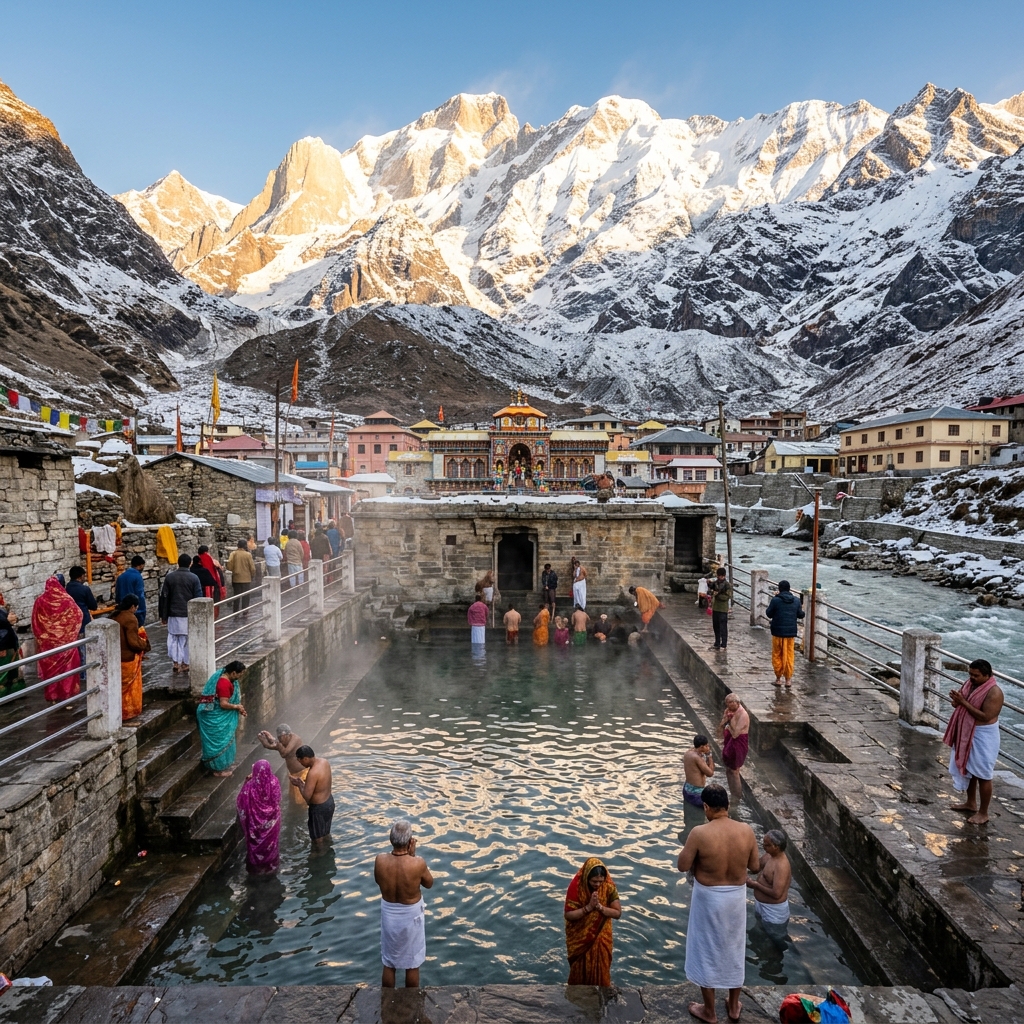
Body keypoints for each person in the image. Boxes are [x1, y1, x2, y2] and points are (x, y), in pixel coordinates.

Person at [677, 784, 760, 1024]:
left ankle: (709, 1011)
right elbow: (754, 867)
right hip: (735, 898)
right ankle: (734, 1007)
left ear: (706, 807)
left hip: (708, 899)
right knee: (734, 948)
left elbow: (682, 865)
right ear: (727, 805)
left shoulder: (700, 833)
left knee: (706, 949)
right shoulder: (746, 831)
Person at [944, 659, 1004, 824]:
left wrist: (963, 702)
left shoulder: (995, 692)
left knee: (983, 774)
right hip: (967, 730)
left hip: (983, 735)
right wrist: (957, 701)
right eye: (970, 674)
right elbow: (960, 705)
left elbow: (986, 716)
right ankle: (971, 803)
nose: (971, 677)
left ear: (987, 675)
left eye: (976, 675)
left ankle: (983, 813)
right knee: (968, 768)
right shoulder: (970, 684)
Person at [374, 820, 433, 988]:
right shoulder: (418, 863)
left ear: (391, 839)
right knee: (412, 962)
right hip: (411, 915)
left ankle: (387, 998)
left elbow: (378, 880)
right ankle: (411, 1002)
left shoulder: (380, 860)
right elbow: (429, 883)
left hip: (389, 913)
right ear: (409, 841)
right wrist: (412, 857)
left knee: (389, 961)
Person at [564, 857, 621, 986]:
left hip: (601, 935)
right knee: (579, 969)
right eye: (594, 881)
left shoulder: (609, 886)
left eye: (600, 881)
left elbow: (617, 913)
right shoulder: (576, 886)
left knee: (601, 968)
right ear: (586, 878)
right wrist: (588, 908)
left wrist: (600, 907)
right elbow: (568, 915)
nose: (598, 885)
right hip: (580, 936)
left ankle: (602, 991)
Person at [32, 576, 83, 702]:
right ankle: (67, 698)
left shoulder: (39, 601)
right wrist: (69, 634)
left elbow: (34, 621)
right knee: (67, 671)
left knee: (51, 673)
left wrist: (42, 636)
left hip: (48, 644)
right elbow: (78, 615)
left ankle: (53, 697)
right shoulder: (67, 600)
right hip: (66, 643)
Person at [196, 660, 247, 776]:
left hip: (218, 715)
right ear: (233, 673)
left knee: (225, 741)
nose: (240, 677)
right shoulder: (224, 683)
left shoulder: (224, 676)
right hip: (215, 718)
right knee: (219, 743)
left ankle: (222, 766)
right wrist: (236, 706)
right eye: (240, 674)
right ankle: (218, 770)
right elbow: (223, 704)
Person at [236, 759, 282, 874]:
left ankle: (257, 869)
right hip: (272, 821)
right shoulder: (274, 782)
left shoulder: (250, 786)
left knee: (255, 844)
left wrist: (245, 782)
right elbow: (277, 799)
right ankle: (271, 866)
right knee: (271, 845)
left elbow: (241, 801)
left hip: (254, 824)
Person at [159, 554, 202, 674]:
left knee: (173, 638)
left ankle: (176, 662)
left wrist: (163, 615)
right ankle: (185, 663)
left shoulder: (170, 577)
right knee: (186, 639)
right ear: (190, 564)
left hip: (173, 613)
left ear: (178, 563)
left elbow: (164, 597)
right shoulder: (194, 578)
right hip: (188, 614)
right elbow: (198, 598)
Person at [112, 594, 150, 721]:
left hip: (115, 657)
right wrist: (144, 644)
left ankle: (116, 712)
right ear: (132, 606)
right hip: (127, 658)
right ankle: (127, 711)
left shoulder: (115, 615)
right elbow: (133, 642)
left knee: (117, 686)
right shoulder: (130, 618)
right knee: (127, 687)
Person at [290, 744, 334, 844]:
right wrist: (302, 783)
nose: (300, 763)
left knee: (317, 838)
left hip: (319, 809)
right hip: (329, 802)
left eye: (300, 760)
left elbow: (307, 796)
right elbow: (319, 786)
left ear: (305, 758)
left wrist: (299, 784)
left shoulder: (312, 773)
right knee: (325, 832)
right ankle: (326, 847)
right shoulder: (324, 762)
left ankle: (319, 854)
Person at [747, 829, 792, 927]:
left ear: (776, 846)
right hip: (761, 905)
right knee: (758, 932)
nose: (763, 846)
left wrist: (755, 885)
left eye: (767, 845)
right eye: (763, 843)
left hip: (773, 911)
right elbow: (756, 868)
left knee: (775, 937)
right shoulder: (769, 855)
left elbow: (777, 894)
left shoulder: (781, 865)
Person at [258, 723, 309, 805]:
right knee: (293, 802)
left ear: (287, 735)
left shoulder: (295, 739)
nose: (280, 740)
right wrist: (267, 741)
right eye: (278, 738)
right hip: (294, 775)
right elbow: (276, 745)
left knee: (302, 803)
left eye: (280, 738)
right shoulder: (284, 741)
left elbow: (284, 753)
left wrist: (271, 744)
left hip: (302, 774)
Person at [765, 581, 804, 687]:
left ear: (779, 589)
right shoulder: (796, 601)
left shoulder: (776, 600)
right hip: (790, 633)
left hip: (777, 632)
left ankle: (778, 678)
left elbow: (769, 613)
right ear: (789, 589)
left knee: (777, 655)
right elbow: (801, 615)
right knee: (789, 655)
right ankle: (788, 680)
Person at [721, 694, 750, 799]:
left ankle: (737, 797)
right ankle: (732, 793)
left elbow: (735, 734)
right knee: (728, 768)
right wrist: (725, 721)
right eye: (726, 703)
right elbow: (720, 727)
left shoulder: (743, 715)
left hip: (738, 743)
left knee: (735, 771)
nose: (727, 706)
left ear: (736, 703)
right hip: (729, 742)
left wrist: (729, 724)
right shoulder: (729, 710)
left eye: (729, 703)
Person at [226, 539, 257, 617]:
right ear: (245, 546)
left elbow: (229, 566)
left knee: (236, 595)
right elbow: (252, 568)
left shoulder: (233, 554)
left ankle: (236, 612)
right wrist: (252, 575)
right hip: (246, 579)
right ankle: (245, 611)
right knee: (246, 596)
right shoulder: (248, 555)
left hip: (236, 578)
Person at [684, 734, 715, 808]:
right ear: (701, 747)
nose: (708, 748)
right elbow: (710, 773)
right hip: (696, 793)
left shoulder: (688, 752)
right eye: (707, 746)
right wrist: (709, 756)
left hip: (687, 789)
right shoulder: (697, 758)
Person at [115, 555, 147, 627]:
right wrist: (142, 611)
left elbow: (117, 594)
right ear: (140, 565)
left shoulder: (121, 577)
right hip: (135, 611)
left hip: (122, 611)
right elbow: (140, 595)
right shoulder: (137, 577)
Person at [0, 602, 24, 697]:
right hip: (2, 644)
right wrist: (7, 621)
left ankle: (15, 692)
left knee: (13, 670)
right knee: (3, 673)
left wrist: (13, 618)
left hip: (9, 642)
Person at [66, 566, 98, 632]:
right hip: (83, 621)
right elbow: (93, 606)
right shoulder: (84, 589)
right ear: (81, 576)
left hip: (70, 622)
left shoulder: (66, 588)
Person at [710, 568, 732, 649]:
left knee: (723, 627)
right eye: (719, 576)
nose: (720, 578)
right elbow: (711, 590)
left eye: (722, 576)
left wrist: (717, 595)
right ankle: (717, 642)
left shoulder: (727, 585)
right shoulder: (715, 583)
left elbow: (727, 596)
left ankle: (724, 643)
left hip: (723, 609)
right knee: (716, 626)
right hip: (715, 608)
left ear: (724, 576)